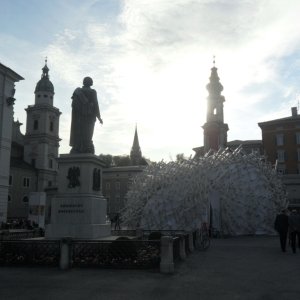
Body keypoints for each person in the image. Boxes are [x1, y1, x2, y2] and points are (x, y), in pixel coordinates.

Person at [70, 77, 103, 154]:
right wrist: (99, 117)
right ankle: (87, 147)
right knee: (88, 133)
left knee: (78, 132)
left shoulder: (77, 91)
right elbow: (95, 104)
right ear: (91, 83)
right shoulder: (92, 92)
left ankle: (77, 147)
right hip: (89, 117)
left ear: (83, 82)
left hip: (78, 117)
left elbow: (73, 105)